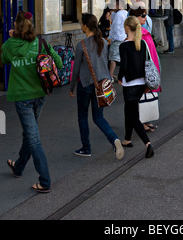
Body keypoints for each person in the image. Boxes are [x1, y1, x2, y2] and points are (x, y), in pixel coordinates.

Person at [1, 11, 63, 193]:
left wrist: (10, 39)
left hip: (22, 98)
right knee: (31, 133)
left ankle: (45, 181)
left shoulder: (9, 45)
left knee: (33, 137)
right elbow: (58, 63)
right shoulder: (41, 43)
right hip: (40, 95)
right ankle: (19, 167)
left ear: (16, 27)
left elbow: (4, 60)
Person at [70, 13, 124, 160]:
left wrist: (71, 87)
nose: (81, 26)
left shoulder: (82, 45)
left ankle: (86, 147)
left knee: (82, 116)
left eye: (82, 23)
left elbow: (75, 70)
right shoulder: (102, 42)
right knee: (98, 117)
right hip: (101, 85)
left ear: (85, 26)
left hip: (85, 84)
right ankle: (114, 139)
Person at [118, 16, 154, 158]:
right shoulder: (143, 43)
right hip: (141, 83)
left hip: (130, 84)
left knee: (133, 116)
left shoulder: (124, 45)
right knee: (129, 109)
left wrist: (120, 78)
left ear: (127, 27)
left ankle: (148, 144)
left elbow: (124, 66)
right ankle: (127, 139)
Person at [129, 6, 161, 132]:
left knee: (148, 95)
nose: (145, 17)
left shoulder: (144, 30)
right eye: (142, 15)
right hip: (143, 69)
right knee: (142, 96)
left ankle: (146, 120)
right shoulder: (137, 33)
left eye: (145, 15)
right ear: (135, 18)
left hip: (151, 66)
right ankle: (141, 122)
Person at [108, 0, 128, 78]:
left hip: (117, 39)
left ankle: (110, 76)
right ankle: (123, 75)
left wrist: (111, 38)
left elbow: (115, 26)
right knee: (123, 58)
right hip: (124, 38)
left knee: (113, 59)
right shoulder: (126, 13)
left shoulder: (118, 14)